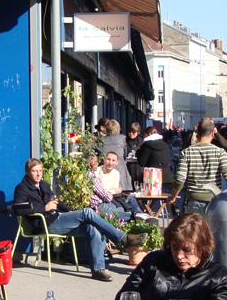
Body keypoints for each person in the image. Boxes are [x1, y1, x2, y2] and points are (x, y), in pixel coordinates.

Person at [13, 159, 146, 282]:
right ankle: (122, 238)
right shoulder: (22, 188)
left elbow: (57, 201)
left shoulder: (43, 185)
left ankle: (98, 269)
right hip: (46, 223)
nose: (38, 174)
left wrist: (69, 211)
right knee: (87, 212)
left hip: (58, 218)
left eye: (40, 171)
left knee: (93, 228)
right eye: (35, 171)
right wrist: (44, 207)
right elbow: (19, 209)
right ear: (27, 171)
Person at [108, 213, 227, 300]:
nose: (179, 256)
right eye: (175, 248)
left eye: (187, 250)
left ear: (202, 247)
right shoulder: (154, 263)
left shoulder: (219, 277)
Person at [168, 118, 227, 213]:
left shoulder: (187, 152)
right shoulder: (220, 152)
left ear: (197, 132)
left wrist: (173, 197)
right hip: (215, 201)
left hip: (194, 200)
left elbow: (180, 178)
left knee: (195, 228)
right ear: (213, 133)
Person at [94, 152, 144, 220]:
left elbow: (116, 192)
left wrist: (113, 191)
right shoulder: (97, 172)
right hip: (103, 200)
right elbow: (100, 192)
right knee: (121, 210)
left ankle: (139, 214)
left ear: (117, 162)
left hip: (113, 197)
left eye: (113, 160)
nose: (110, 163)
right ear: (104, 160)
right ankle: (135, 217)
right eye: (108, 159)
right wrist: (113, 191)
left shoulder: (116, 173)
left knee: (131, 198)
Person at [96, 120, 133, 192]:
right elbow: (125, 155)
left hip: (105, 175)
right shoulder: (122, 139)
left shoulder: (100, 140)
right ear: (118, 129)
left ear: (107, 129)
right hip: (121, 174)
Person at [136, 127, 172, 193]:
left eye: (144, 135)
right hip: (166, 177)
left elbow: (141, 162)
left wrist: (139, 149)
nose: (143, 137)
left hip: (152, 177)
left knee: (137, 181)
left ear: (149, 134)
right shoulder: (165, 145)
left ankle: (144, 203)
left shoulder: (147, 145)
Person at [126, 122, 143, 189]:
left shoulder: (142, 141)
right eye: (129, 132)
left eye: (133, 132)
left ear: (138, 132)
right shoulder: (125, 140)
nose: (131, 134)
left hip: (138, 167)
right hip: (128, 167)